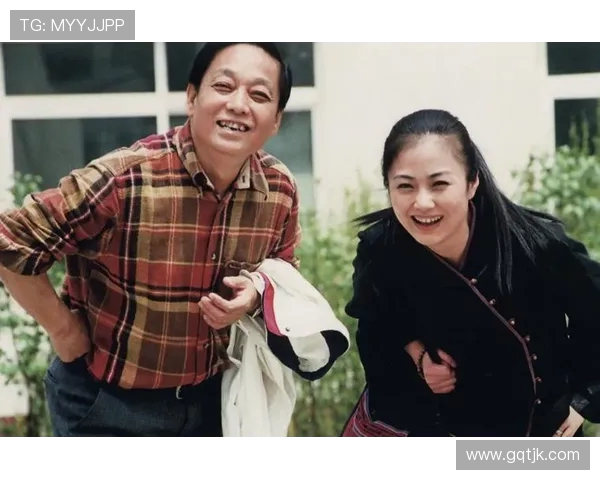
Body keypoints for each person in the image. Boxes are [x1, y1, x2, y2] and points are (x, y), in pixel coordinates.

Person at [0, 42, 345, 437]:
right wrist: (63, 330)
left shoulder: (279, 189)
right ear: (192, 97)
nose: (238, 104)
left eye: (260, 95)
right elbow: (11, 241)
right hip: (106, 404)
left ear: (277, 119)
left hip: (214, 404)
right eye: (224, 86)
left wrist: (254, 295)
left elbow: (281, 272)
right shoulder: (124, 179)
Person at [341, 108, 600, 437]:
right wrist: (418, 357)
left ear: (471, 182)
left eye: (439, 184)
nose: (422, 203)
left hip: (540, 432)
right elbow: (376, 326)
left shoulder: (534, 244)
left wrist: (582, 400)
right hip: (440, 432)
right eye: (405, 186)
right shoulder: (380, 249)